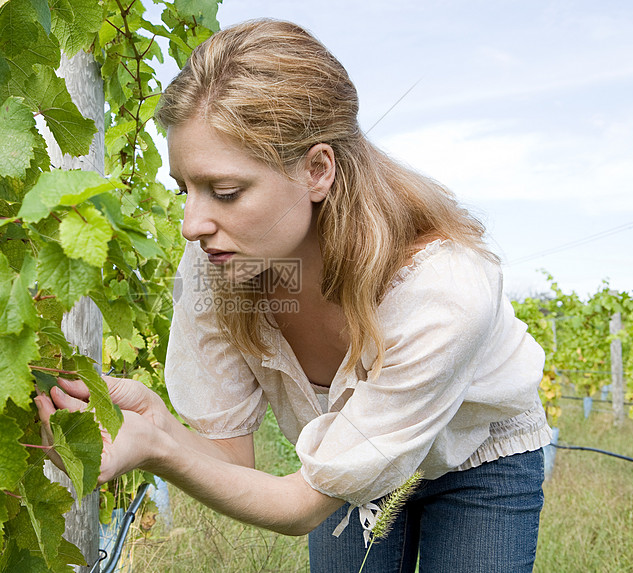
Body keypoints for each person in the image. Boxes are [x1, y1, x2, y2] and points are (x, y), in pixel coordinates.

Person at [36, 19, 552, 572]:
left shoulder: (442, 292)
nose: (191, 224)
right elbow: (232, 457)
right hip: (341, 457)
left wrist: (161, 450)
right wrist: (156, 424)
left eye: (225, 191)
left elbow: (301, 505)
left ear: (317, 170)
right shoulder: (221, 262)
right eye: (184, 188)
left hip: (474, 455)